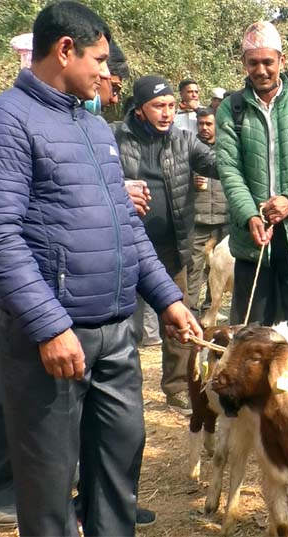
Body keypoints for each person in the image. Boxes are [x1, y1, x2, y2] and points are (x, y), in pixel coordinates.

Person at [0, 3, 202, 536]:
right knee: (50, 490)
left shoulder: (94, 126)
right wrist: (51, 326)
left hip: (114, 336)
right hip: (51, 345)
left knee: (117, 473)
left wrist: (167, 298)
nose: (108, 73)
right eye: (100, 60)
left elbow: (126, 227)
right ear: (64, 51)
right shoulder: (4, 122)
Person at [216, 21, 288, 358]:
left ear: (281, 61)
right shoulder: (231, 110)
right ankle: (256, 407)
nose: (261, 70)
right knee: (253, 331)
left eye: (268, 62)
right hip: (252, 239)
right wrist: (250, 214)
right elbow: (229, 169)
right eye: (253, 63)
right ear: (244, 64)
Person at [113, 76, 217, 414]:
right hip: (124, 249)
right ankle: (123, 393)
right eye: (159, 106)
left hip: (171, 250)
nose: (167, 113)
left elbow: (218, 164)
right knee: (124, 325)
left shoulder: (184, 141)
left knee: (177, 322)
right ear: (140, 109)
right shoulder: (114, 138)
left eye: (172, 106)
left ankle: (176, 389)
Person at [188, 107, 229, 318]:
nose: (204, 128)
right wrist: (190, 182)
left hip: (225, 218)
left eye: (208, 124)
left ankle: (209, 314)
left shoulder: (228, 148)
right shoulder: (188, 147)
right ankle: (190, 314)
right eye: (200, 123)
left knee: (218, 272)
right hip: (198, 219)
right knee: (194, 270)